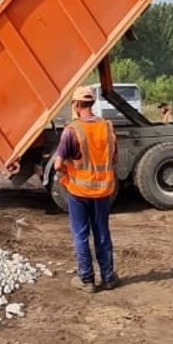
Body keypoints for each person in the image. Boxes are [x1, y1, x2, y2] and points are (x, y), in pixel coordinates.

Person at [52, 85, 120, 292]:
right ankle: (108, 277)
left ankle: (87, 280)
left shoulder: (72, 130)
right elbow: (114, 158)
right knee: (102, 233)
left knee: (81, 234)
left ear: (76, 104)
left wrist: (66, 174)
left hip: (79, 192)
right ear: (92, 103)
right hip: (103, 191)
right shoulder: (107, 127)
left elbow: (57, 164)